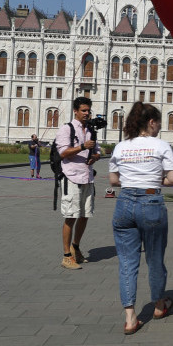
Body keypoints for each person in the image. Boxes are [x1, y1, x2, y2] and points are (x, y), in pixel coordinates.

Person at [108, 102, 173, 335]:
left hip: (124, 203)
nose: (159, 127)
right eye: (159, 123)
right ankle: (159, 304)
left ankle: (130, 317)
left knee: (127, 263)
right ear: (151, 122)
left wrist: (134, 180)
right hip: (151, 202)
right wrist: (152, 180)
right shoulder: (161, 145)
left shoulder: (121, 147)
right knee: (155, 258)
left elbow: (113, 180)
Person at [56, 97, 102, 270]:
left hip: (87, 177)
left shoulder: (90, 130)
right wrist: (82, 147)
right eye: (83, 110)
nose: (87, 113)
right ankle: (66, 255)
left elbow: (97, 151)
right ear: (75, 111)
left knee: (84, 215)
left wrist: (94, 157)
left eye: (88, 110)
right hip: (71, 177)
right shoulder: (66, 129)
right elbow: (63, 152)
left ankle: (76, 247)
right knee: (71, 216)